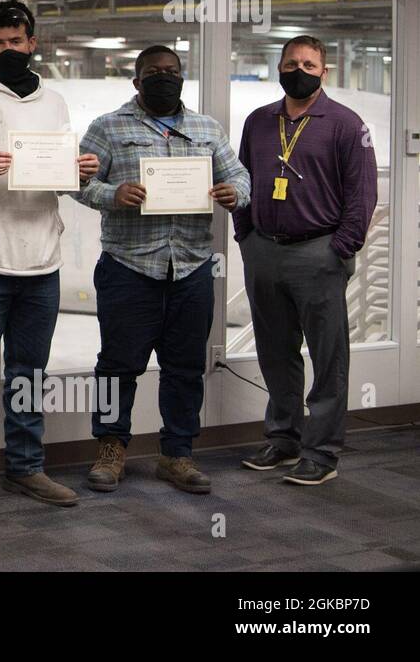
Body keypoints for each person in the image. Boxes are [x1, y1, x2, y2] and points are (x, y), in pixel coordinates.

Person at [0, 0, 98, 516]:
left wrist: (81, 173)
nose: (7, 50)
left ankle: (27, 466)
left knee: (31, 373)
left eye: (16, 42)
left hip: (40, 265)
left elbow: (60, 176)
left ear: (32, 43)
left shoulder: (54, 103)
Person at [77, 45, 249, 494]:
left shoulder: (207, 128)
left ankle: (177, 454)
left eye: (171, 71)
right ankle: (111, 449)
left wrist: (235, 193)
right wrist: (112, 194)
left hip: (191, 267)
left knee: (185, 366)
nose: (163, 77)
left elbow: (241, 176)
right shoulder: (108, 127)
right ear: (136, 81)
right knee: (118, 365)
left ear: (182, 77)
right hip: (129, 266)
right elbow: (75, 181)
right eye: (152, 72)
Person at [234, 35, 377, 486]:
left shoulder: (345, 124)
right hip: (264, 250)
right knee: (275, 351)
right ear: (279, 67)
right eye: (292, 62)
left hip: (320, 252)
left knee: (327, 356)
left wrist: (341, 249)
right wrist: (246, 236)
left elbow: (361, 196)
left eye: (310, 64)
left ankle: (322, 452)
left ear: (324, 71)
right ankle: (284, 437)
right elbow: (242, 180)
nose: (301, 69)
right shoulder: (259, 122)